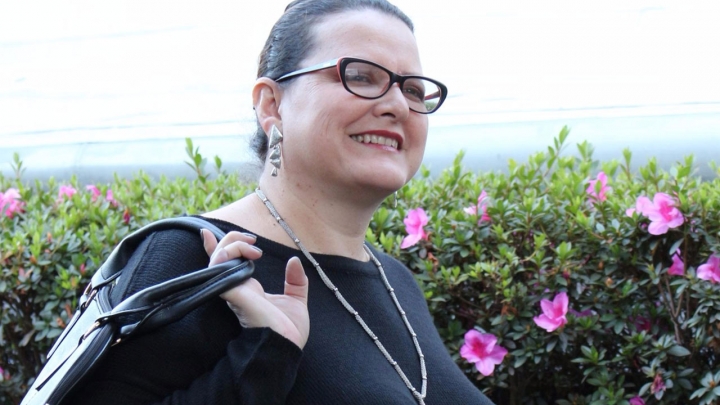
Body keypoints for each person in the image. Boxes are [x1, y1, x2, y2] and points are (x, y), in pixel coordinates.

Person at [68, 0, 495, 403]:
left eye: (414, 90)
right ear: (272, 105)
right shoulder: (192, 260)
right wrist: (264, 353)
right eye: (361, 76)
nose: (398, 105)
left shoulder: (397, 282)